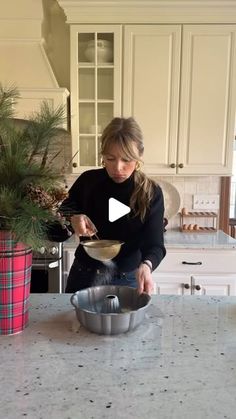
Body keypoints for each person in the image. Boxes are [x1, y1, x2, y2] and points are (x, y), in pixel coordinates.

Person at [51, 117, 166, 294]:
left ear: (139, 157)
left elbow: (155, 245)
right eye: (110, 158)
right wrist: (70, 221)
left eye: (127, 159)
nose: (118, 167)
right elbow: (53, 232)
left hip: (129, 279)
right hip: (84, 277)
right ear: (102, 156)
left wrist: (147, 266)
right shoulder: (87, 182)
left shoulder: (151, 192)